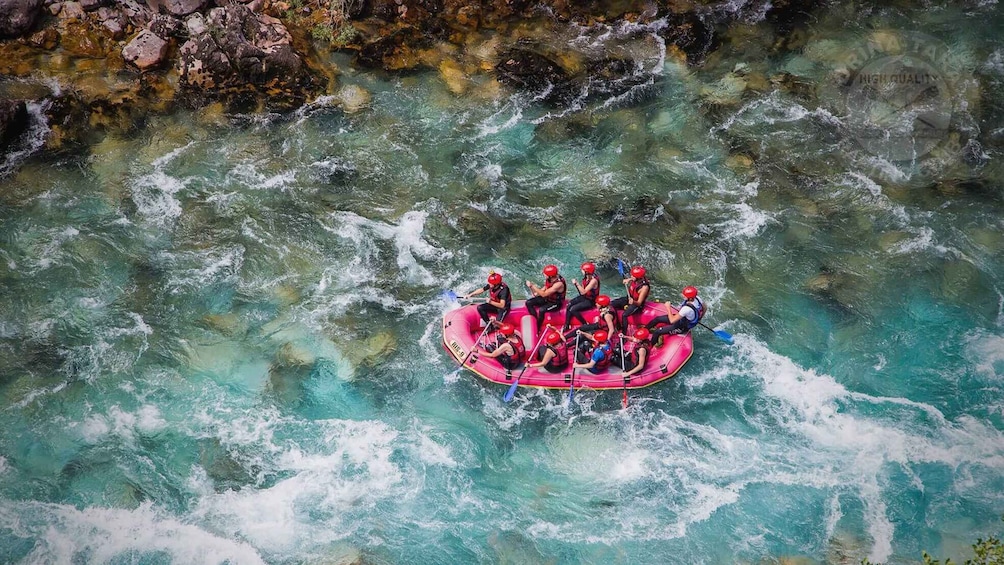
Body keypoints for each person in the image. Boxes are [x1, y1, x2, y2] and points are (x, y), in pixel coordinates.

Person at [561, 262, 600, 332]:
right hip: (585, 297)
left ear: (587, 272)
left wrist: (576, 283)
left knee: (573, 309)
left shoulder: (594, 280)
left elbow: (583, 291)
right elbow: (582, 292)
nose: (581, 271)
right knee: (569, 304)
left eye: (583, 270)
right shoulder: (586, 278)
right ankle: (567, 324)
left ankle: (585, 323)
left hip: (591, 301)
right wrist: (576, 285)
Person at [525, 264, 566, 329]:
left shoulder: (558, 284)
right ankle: (534, 320)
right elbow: (545, 288)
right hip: (548, 299)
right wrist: (535, 292)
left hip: (556, 303)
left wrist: (532, 286)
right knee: (528, 302)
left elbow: (544, 294)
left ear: (550, 276)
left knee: (542, 310)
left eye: (545, 274)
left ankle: (538, 327)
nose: (544, 275)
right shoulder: (550, 279)